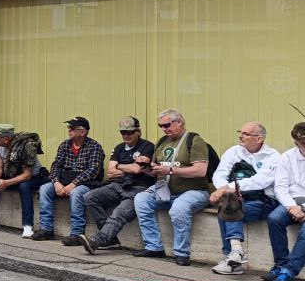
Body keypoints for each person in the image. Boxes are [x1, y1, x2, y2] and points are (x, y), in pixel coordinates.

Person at [132, 109, 212, 266]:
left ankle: (182, 253)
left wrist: (169, 170)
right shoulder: (162, 142)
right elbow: (156, 170)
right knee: (141, 199)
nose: (164, 129)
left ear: (179, 122)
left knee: (179, 208)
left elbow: (200, 170)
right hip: (165, 189)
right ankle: (154, 247)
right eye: (160, 126)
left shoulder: (195, 140)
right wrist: (147, 167)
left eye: (167, 125)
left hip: (194, 191)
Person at [210, 122, 281, 276]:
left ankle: (233, 258)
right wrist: (227, 191)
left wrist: (227, 189)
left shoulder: (273, 156)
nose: (240, 136)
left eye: (246, 134)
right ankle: (235, 255)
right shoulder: (234, 151)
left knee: (230, 208)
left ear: (259, 138)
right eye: (240, 132)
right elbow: (219, 174)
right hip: (236, 197)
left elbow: (260, 181)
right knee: (228, 205)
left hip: (264, 200)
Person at [79, 117, 157, 254]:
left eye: (130, 132)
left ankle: (98, 241)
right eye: (123, 132)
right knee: (89, 197)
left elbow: (136, 170)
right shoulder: (119, 147)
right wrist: (129, 168)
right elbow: (111, 171)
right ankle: (111, 240)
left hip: (138, 188)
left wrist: (120, 166)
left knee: (119, 213)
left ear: (138, 131)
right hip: (117, 185)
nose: (126, 135)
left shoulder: (147, 146)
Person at [263, 121, 305, 281]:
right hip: (295, 202)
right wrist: (292, 207)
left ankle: (288, 272)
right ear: (297, 144)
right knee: (274, 218)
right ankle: (280, 265)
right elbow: (280, 188)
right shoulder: (287, 157)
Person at [34, 116, 106, 243]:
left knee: (76, 193)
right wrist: (56, 182)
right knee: (44, 188)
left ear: (83, 132)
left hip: (87, 183)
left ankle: (77, 234)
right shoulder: (65, 145)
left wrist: (74, 184)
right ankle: (46, 230)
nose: (69, 130)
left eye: (72, 128)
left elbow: (93, 170)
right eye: (69, 127)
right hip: (64, 180)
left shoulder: (95, 146)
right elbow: (56, 165)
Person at [0, 124, 48, 237]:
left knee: (24, 186)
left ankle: (28, 226)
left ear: (6, 139)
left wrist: (6, 183)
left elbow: (27, 175)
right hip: (14, 175)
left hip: (34, 176)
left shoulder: (26, 146)